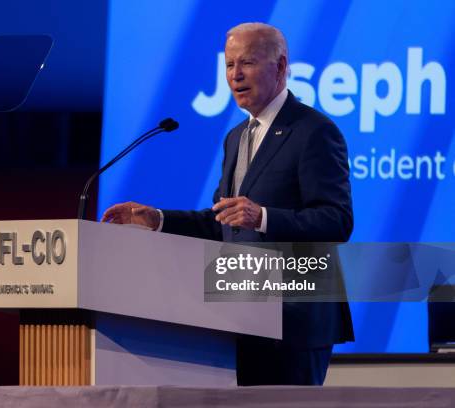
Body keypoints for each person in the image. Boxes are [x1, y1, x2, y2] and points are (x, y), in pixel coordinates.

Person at [101, 22, 353, 386]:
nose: (235, 75)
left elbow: (337, 220)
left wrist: (263, 217)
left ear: (280, 67)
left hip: (296, 318)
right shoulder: (236, 137)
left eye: (247, 63)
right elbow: (223, 221)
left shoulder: (314, 131)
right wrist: (155, 218)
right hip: (241, 313)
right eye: (229, 65)